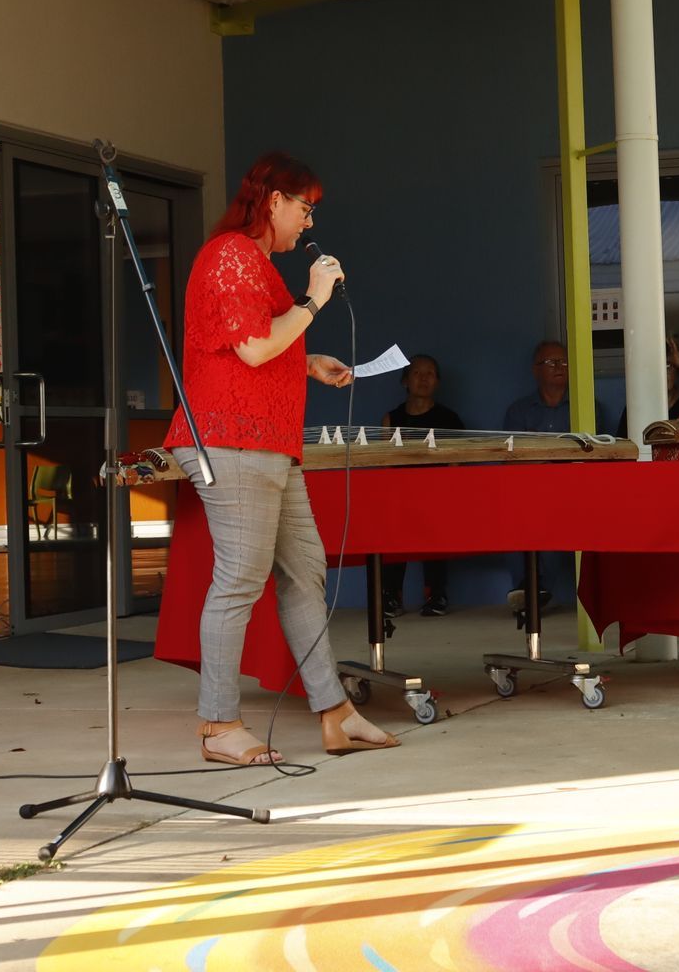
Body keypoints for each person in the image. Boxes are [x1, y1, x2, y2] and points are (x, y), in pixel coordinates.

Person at [166, 151, 398, 765]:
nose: (308, 221)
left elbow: (266, 347)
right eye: (305, 207)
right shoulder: (231, 254)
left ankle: (336, 711)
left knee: (306, 570)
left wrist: (308, 361)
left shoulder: (255, 263)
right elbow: (251, 348)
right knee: (239, 579)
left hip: (267, 444)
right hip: (231, 439)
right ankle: (218, 726)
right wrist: (316, 299)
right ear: (273, 201)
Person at [499, 339, 610, 611]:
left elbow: (591, 454)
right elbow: (512, 459)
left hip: (575, 489)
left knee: (551, 516)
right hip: (530, 490)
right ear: (535, 370)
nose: (559, 367)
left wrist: (545, 459)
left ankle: (538, 590)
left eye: (563, 362)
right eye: (551, 362)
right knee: (513, 514)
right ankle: (528, 587)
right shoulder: (519, 410)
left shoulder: (586, 407)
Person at [380, 354, 464, 616]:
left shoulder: (450, 420)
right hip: (400, 494)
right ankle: (391, 596)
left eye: (430, 373)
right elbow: (385, 465)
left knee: (434, 526)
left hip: (436, 495)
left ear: (437, 381)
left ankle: (436, 595)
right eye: (417, 373)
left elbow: (455, 466)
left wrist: (447, 497)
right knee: (391, 526)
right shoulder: (391, 419)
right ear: (405, 381)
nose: (424, 378)